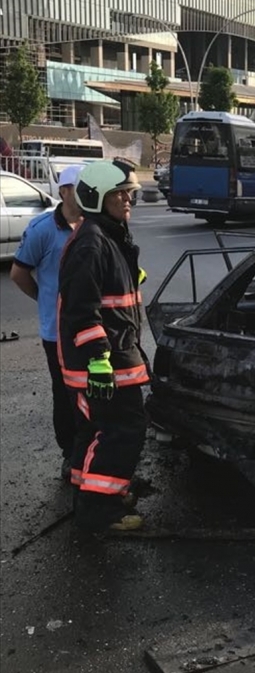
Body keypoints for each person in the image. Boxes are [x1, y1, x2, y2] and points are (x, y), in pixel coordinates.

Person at [57, 159, 149, 533]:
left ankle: (88, 490)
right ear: (97, 198)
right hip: (104, 362)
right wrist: (99, 363)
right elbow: (81, 311)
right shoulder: (92, 242)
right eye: (119, 194)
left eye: (130, 193)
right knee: (124, 430)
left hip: (111, 356)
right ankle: (100, 509)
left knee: (92, 430)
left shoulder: (106, 236)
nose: (128, 199)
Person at [10, 164, 85, 480]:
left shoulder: (94, 226)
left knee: (92, 394)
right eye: (78, 188)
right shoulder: (42, 229)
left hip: (90, 328)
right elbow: (19, 273)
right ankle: (70, 455)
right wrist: (45, 299)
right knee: (65, 395)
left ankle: (91, 451)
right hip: (56, 333)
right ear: (64, 191)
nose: (84, 194)